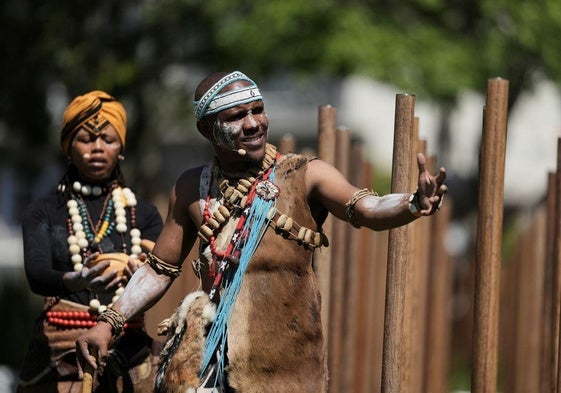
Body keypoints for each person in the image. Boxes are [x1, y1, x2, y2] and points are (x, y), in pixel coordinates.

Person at [76, 71, 447, 393]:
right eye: (237, 116)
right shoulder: (192, 187)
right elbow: (159, 268)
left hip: (288, 369)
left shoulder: (304, 174)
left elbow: (365, 207)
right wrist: (109, 322)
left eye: (257, 110)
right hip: (212, 366)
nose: (253, 123)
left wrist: (412, 203)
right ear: (206, 129)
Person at [18, 90, 164, 393]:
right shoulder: (44, 211)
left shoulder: (144, 213)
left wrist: (141, 273)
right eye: (86, 139)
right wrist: (78, 280)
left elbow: (160, 271)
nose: (97, 148)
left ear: (121, 148)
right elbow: (37, 276)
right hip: (60, 349)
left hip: (130, 347)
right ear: (69, 147)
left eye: (108, 140)